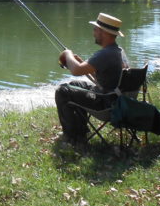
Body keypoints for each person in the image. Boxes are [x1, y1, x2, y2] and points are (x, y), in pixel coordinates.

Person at [54, 12, 130, 146]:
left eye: (95, 29)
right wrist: (83, 63)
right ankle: (80, 130)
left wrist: (68, 54)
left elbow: (76, 70)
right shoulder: (118, 51)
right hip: (115, 98)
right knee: (74, 84)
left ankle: (71, 136)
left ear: (104, 33)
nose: (93, 32)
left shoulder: (105, 54)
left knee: (62, 91)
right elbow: (103, 80)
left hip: (106, 104)